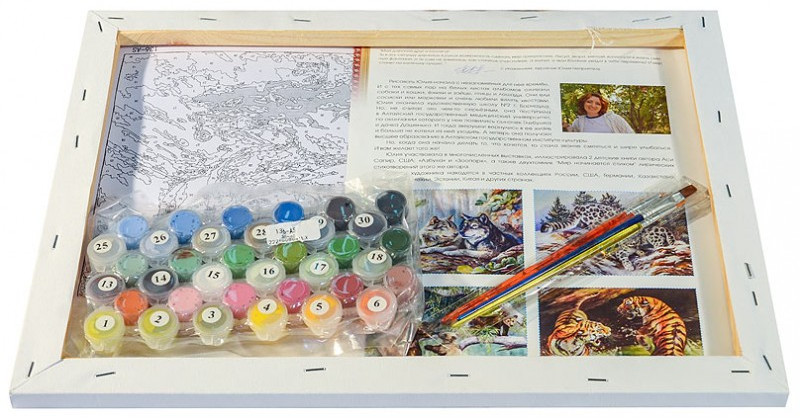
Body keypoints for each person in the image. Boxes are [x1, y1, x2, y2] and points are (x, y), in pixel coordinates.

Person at [563, 92, 635, 133]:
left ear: (601, 106)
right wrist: (567, 127)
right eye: (589, 102)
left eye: (597, 103)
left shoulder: (614, 118)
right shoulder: (578, 122)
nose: (593, 105)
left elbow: (630, 134)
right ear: (583, 103)